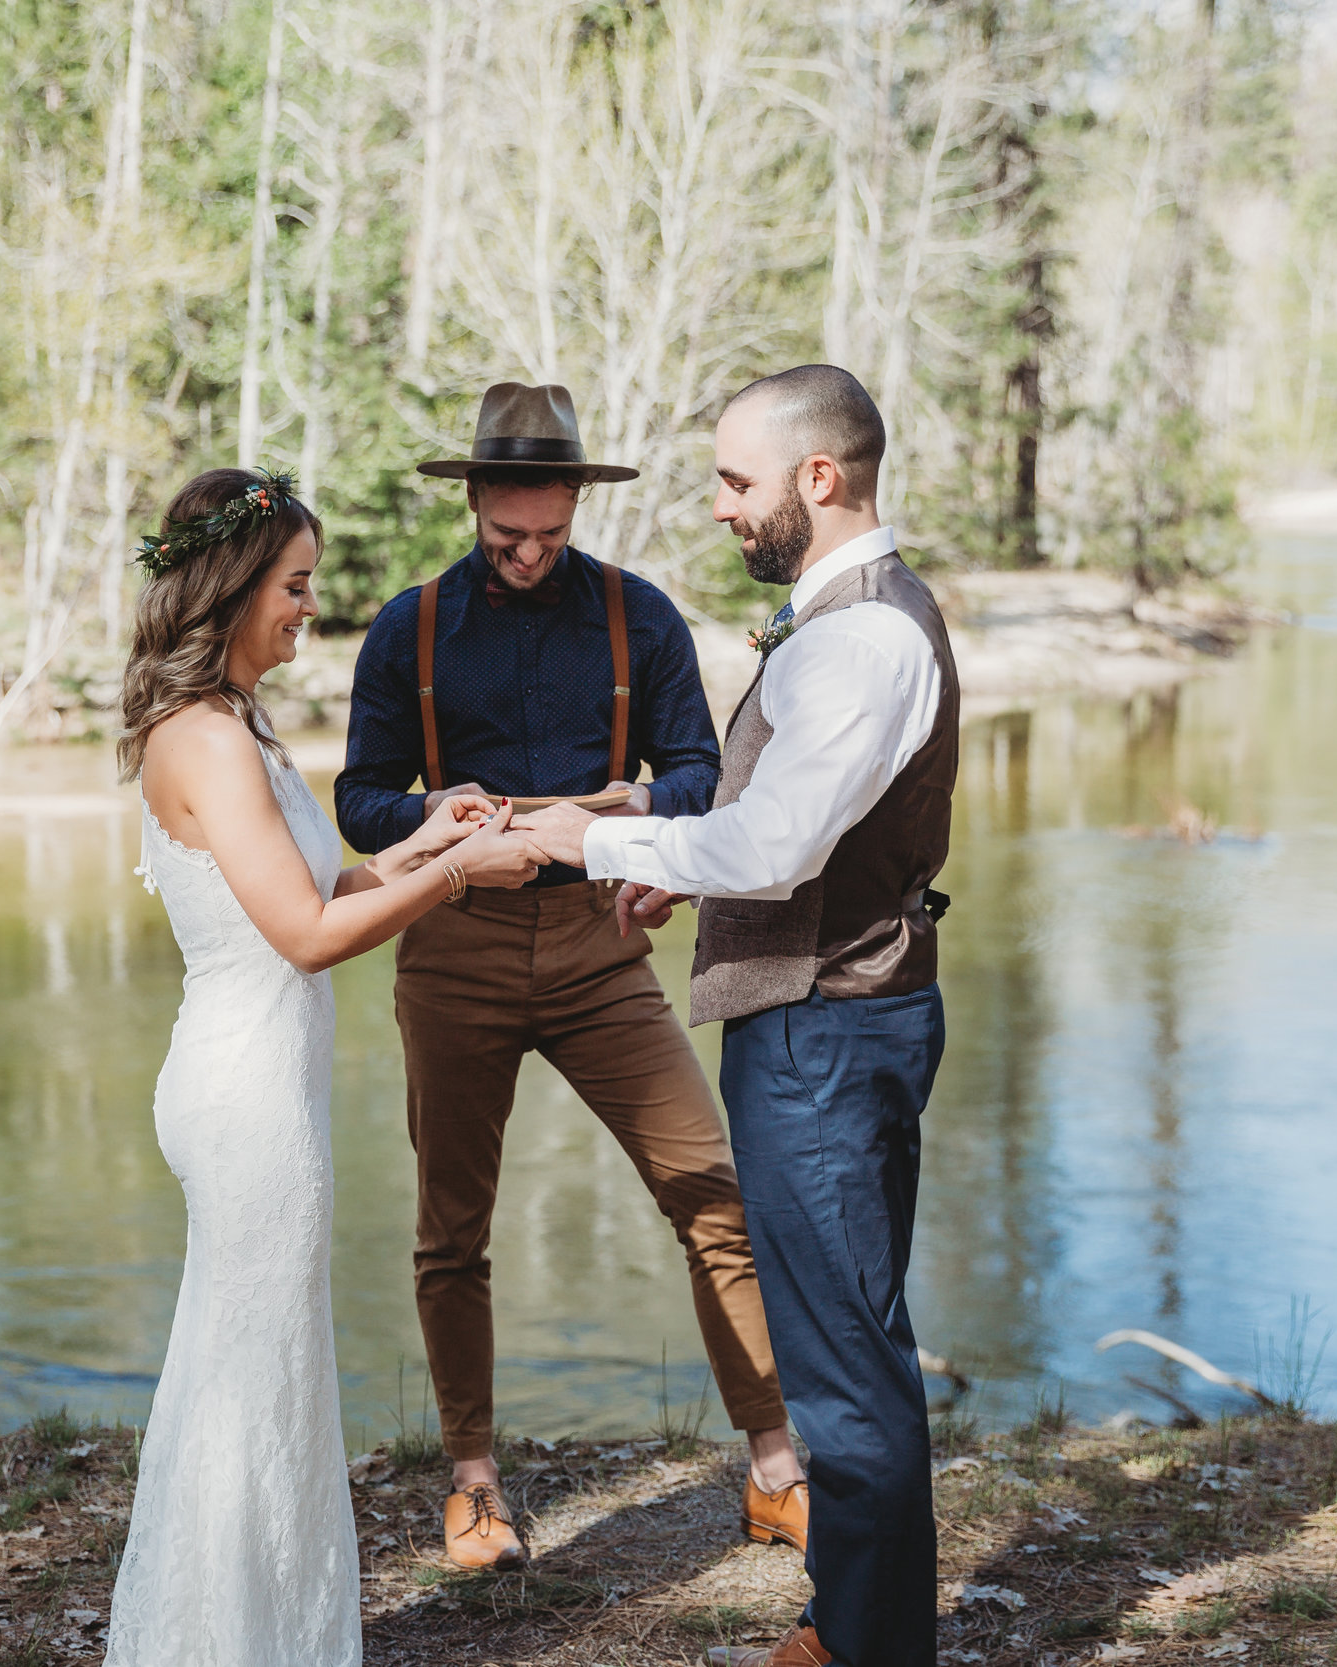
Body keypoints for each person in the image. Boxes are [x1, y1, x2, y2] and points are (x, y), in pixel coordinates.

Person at [519, 366, 961, 1667]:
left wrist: (593, 837)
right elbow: (784, 830)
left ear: (818, 479)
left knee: (842, 1363)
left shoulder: (864, 635)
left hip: (825, 1026)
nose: (720, 507)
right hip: (827, 1016)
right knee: (844, 1336)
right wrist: (675, 861)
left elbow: (773, 846)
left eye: (734, 479)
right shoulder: (847, 615)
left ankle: (867, 1646)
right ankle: (853, 1621)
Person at [334, 381, 807, 1572]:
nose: (532, 554)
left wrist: (638, 802)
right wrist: (431, 811)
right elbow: (358, 799)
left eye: (551, 533)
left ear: (573, 506)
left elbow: (702, 769)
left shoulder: (635, 617)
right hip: (453, 946)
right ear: (478, 505)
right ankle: (476, 1483)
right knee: (453, 1230)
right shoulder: (409, 626)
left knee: (711, 1194)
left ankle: (775, 1467)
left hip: (602, 947)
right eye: (509, 537)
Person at [102, 467, 544, 1667]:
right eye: (295, 584)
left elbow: (319, 887)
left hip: (265, 1080)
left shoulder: (241, 721)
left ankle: (263, 1634)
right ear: (234, 587)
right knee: (248, 1382)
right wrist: (458, 879)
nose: (310, 605)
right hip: (243, 1093)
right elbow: (302, 939)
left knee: (266, 1373)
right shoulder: (199, 735)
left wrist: (426, 833)